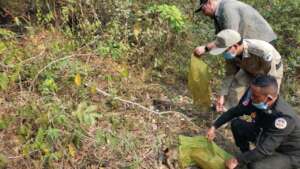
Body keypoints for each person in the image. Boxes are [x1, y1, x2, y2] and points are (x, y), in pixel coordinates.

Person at [193, 0, 277, 111]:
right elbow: (226, 43)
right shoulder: (218, 16)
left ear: (209, 2)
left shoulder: (227, 8)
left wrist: (206, 48)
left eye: (203, 9)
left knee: (265, 82)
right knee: (238, 79)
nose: (203, 13)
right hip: (241, 48)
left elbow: (231, 36)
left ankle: (267, 111)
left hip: (261, 46)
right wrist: (222, 94)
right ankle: (227, 108)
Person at [206, 75, 300, 169]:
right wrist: (214, 127)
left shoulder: (284, 118)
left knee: (255, 166)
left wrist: (237, 160)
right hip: (265, 135)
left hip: (288, 152)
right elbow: (234, 112)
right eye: (251, 94)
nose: (251, 98)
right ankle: (246, 154)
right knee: (237, 125)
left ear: (269, 99)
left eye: (255, 96)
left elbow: (265, 150)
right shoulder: (257, 100)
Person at [200, 29, 283, 112]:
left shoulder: (262, 51)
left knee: (266, 98)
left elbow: (270, 79)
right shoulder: (232, 54)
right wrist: (222, 94)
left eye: (225, 51)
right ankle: (226, 113)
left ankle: (265, 119)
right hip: (248, 69)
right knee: (235, 90)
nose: (223, 53)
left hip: (270, 72)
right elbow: (230, 74)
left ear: (235, 46)